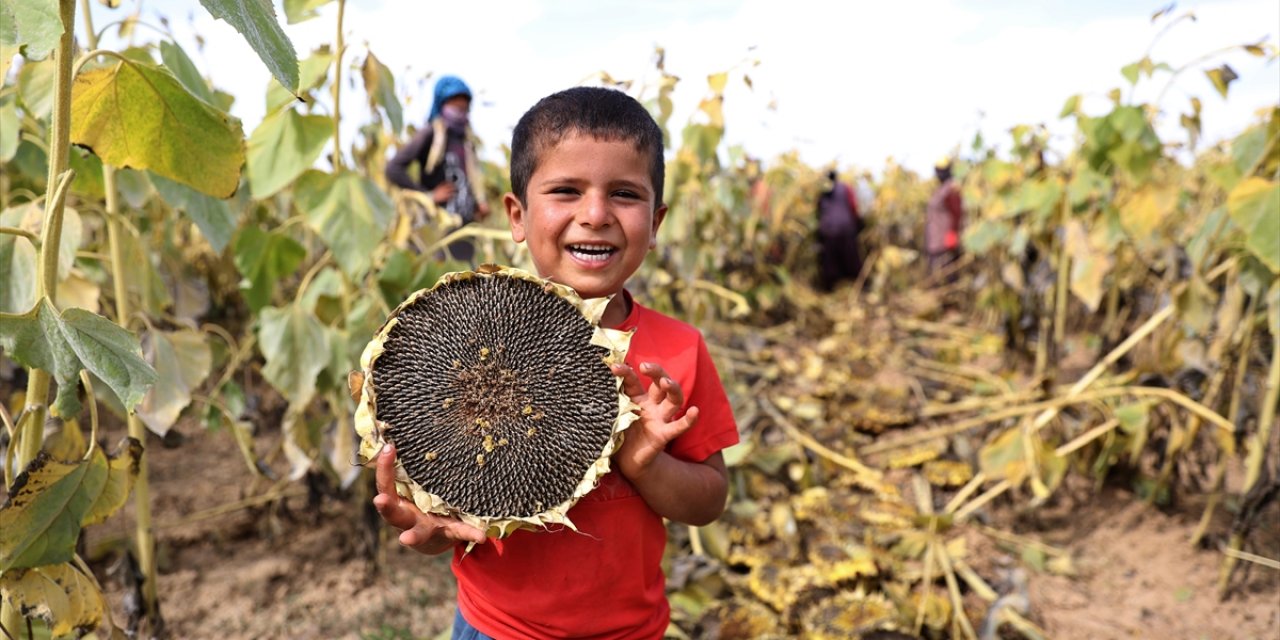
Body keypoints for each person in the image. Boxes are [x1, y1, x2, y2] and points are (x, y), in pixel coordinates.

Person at [372, 86, 740, 639]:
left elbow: (709, 500)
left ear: (656, 223)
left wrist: (646, 464)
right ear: (517, 216)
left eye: (624, 194)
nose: (595, 215)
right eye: (566, 191)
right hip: (496, 627)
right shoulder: (468, 335)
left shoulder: (677, 351)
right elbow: (453, 510)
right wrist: (432, 528)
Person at [386, 75, 490, 263]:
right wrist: (428, 195)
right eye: (456, 106)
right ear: (442, 104)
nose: (461, 112)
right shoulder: (431, 134)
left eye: (464, 108)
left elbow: (467, 179)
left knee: (465, 276)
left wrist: (477, 203)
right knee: (438, 275)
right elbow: (393, 168)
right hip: (438, 227)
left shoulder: (466, 141)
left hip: (464, 229)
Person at [815, 168, 863, 291]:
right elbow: (854, 206)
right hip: (845, 228)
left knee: (830, 262)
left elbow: (819, 210)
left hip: (828, 231)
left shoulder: (822, 190)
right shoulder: (846, 188)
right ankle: (858, 286)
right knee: (851, 259)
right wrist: (858, 223)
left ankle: (829, 288)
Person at [924, 159, 964, 277]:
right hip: (935, 242)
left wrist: (952, 235)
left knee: (948, 276)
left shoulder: (951, 189)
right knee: (937, 276)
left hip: (945, 243)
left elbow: (957, 213)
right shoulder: (941, 189)